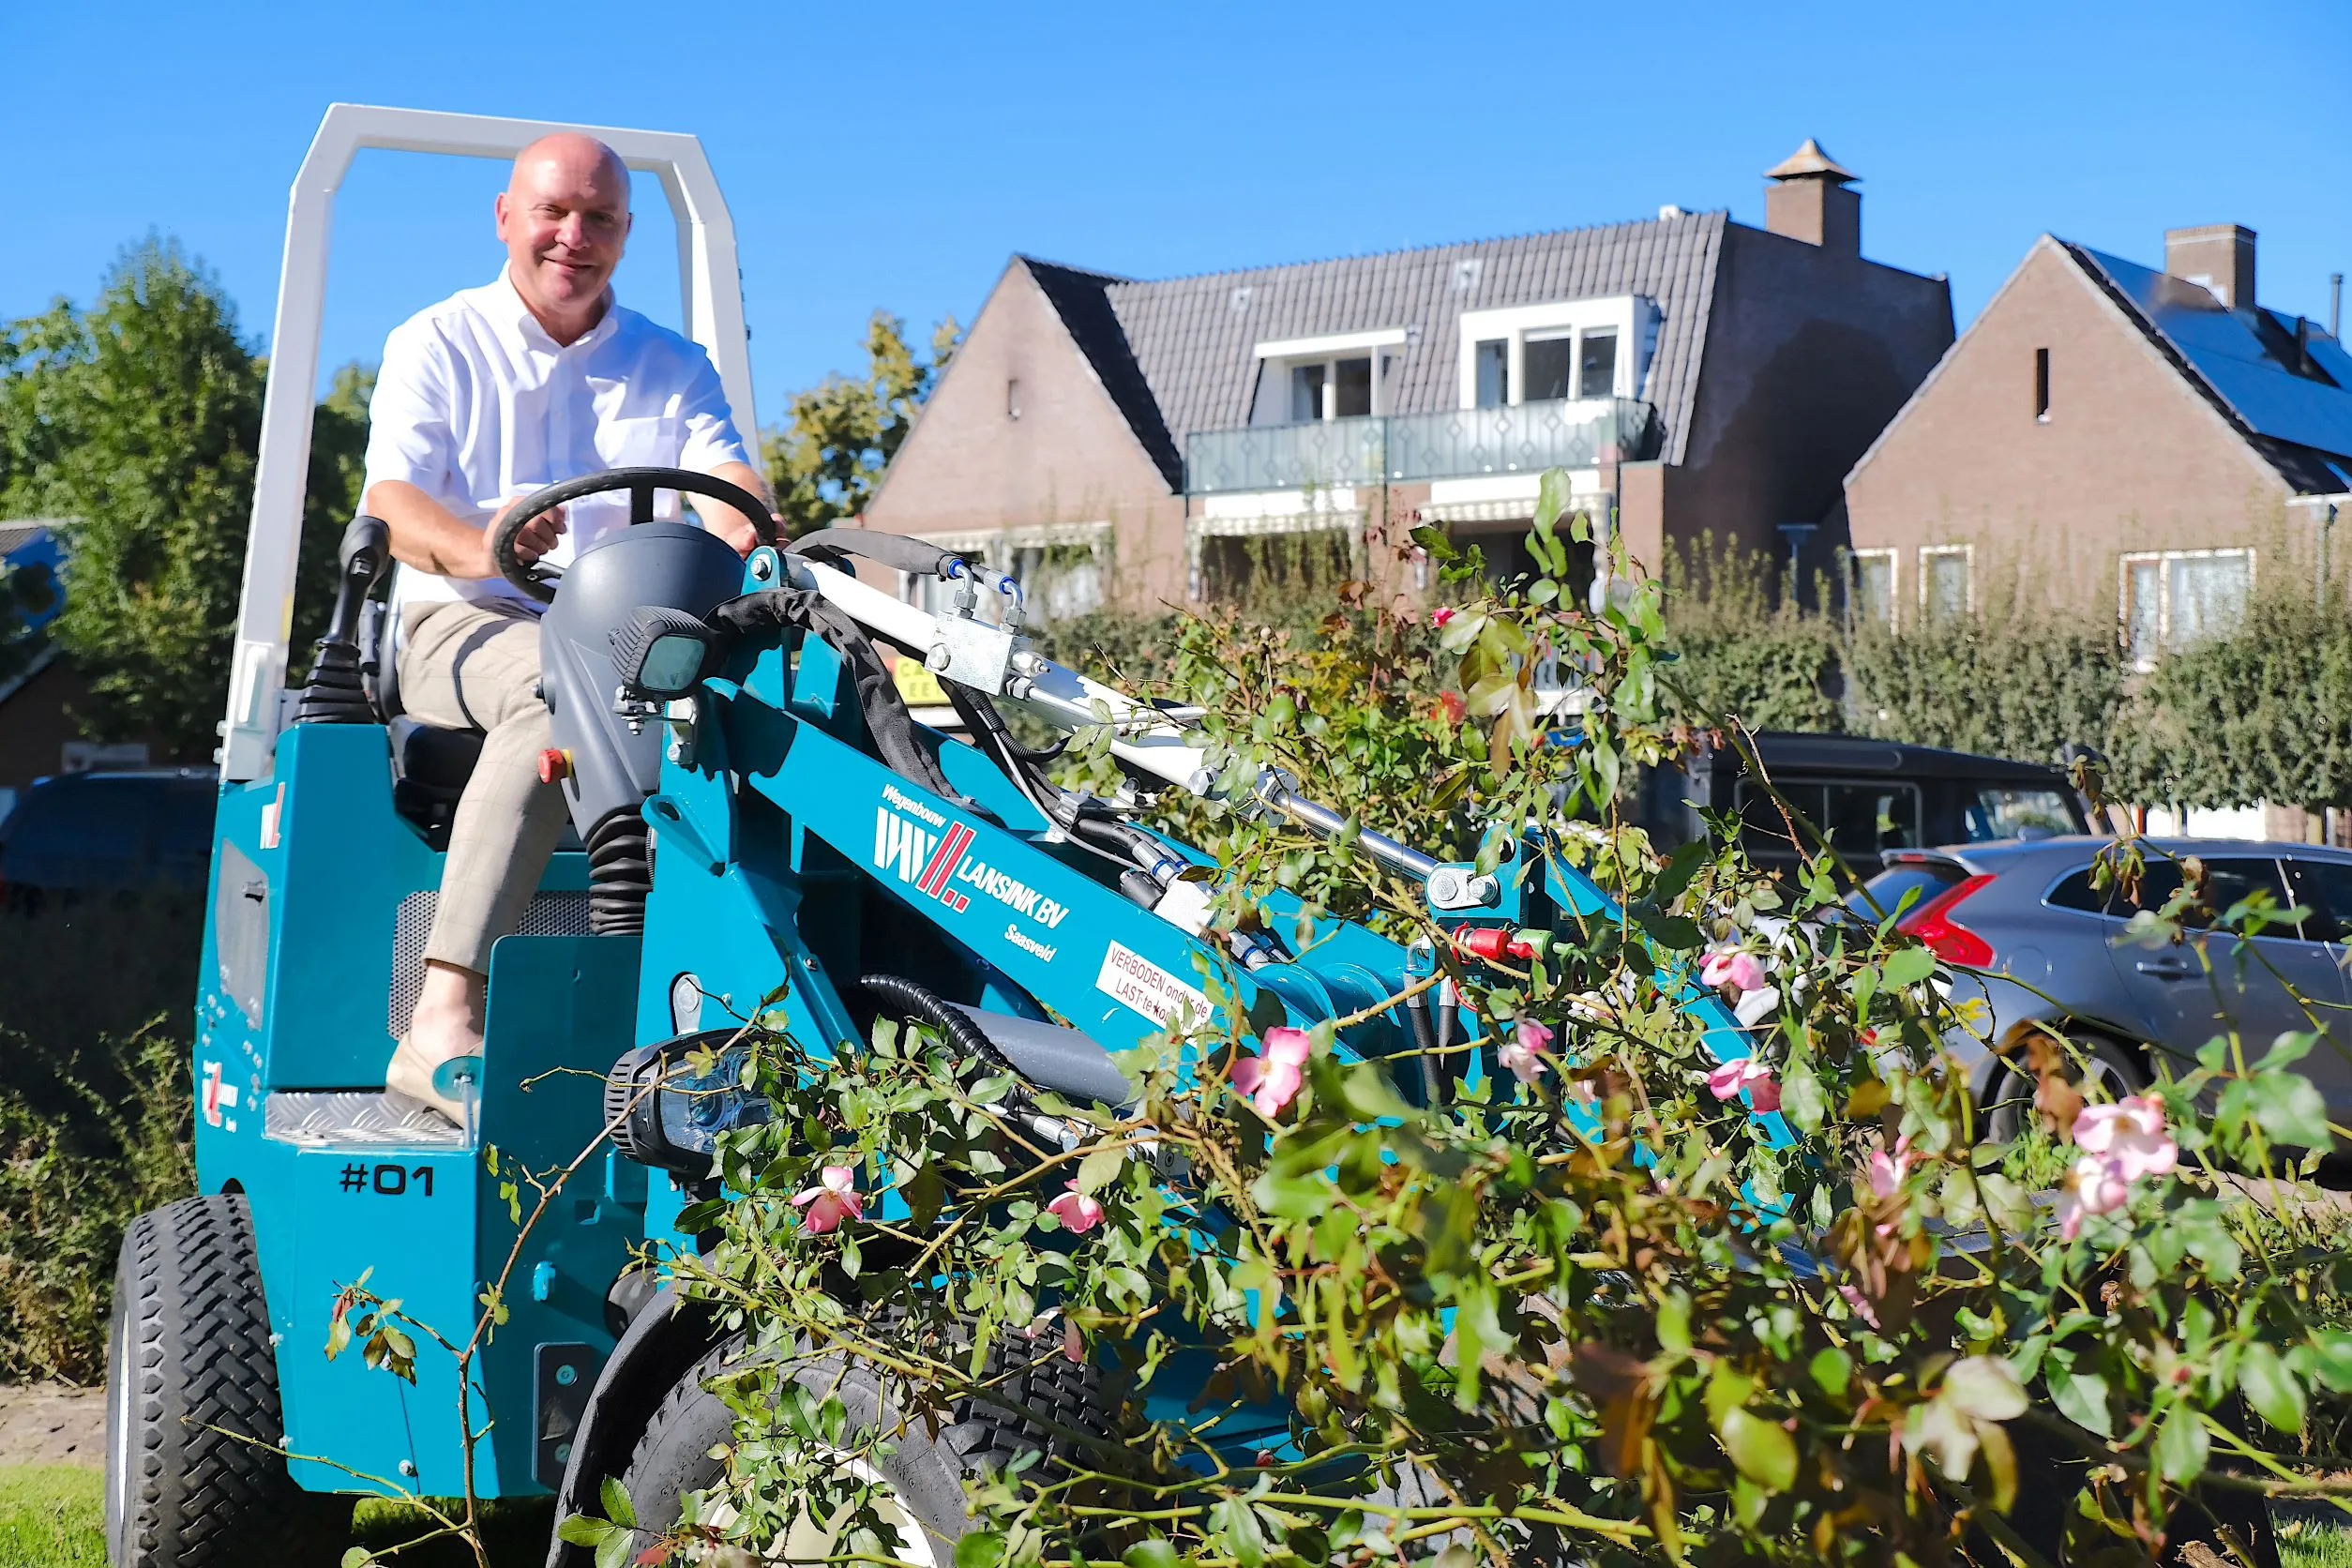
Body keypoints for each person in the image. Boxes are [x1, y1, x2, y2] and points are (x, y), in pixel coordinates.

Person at [361, 132, 776, 1121]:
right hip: (465, 622)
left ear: (626, 235)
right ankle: (439, 1020)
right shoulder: (439, 342)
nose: (573, 235)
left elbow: (727, 481)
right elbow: (393, 505)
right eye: (553, 211)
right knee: (565, 701)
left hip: (630, 633)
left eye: (598, 218)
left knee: (785, 706)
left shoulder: (670, 365)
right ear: (507, 217)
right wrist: (484, 541)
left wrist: (743, 534)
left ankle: (757, 1019)